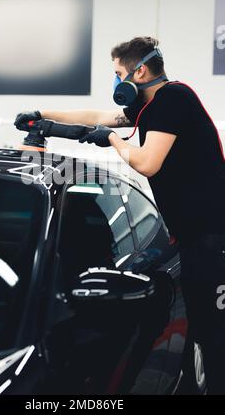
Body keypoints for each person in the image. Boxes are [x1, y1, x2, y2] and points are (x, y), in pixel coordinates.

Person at [14, 36, 225, 394]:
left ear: (139, 71)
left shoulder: (173, 98)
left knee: (215, 335)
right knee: (203, 330)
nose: (115, 81)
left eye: (117, 73)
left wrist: (111, 140)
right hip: (194, 240)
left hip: (213, 242)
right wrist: (43, 115)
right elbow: (98, 116)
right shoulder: (152, 105)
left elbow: (146, 162)